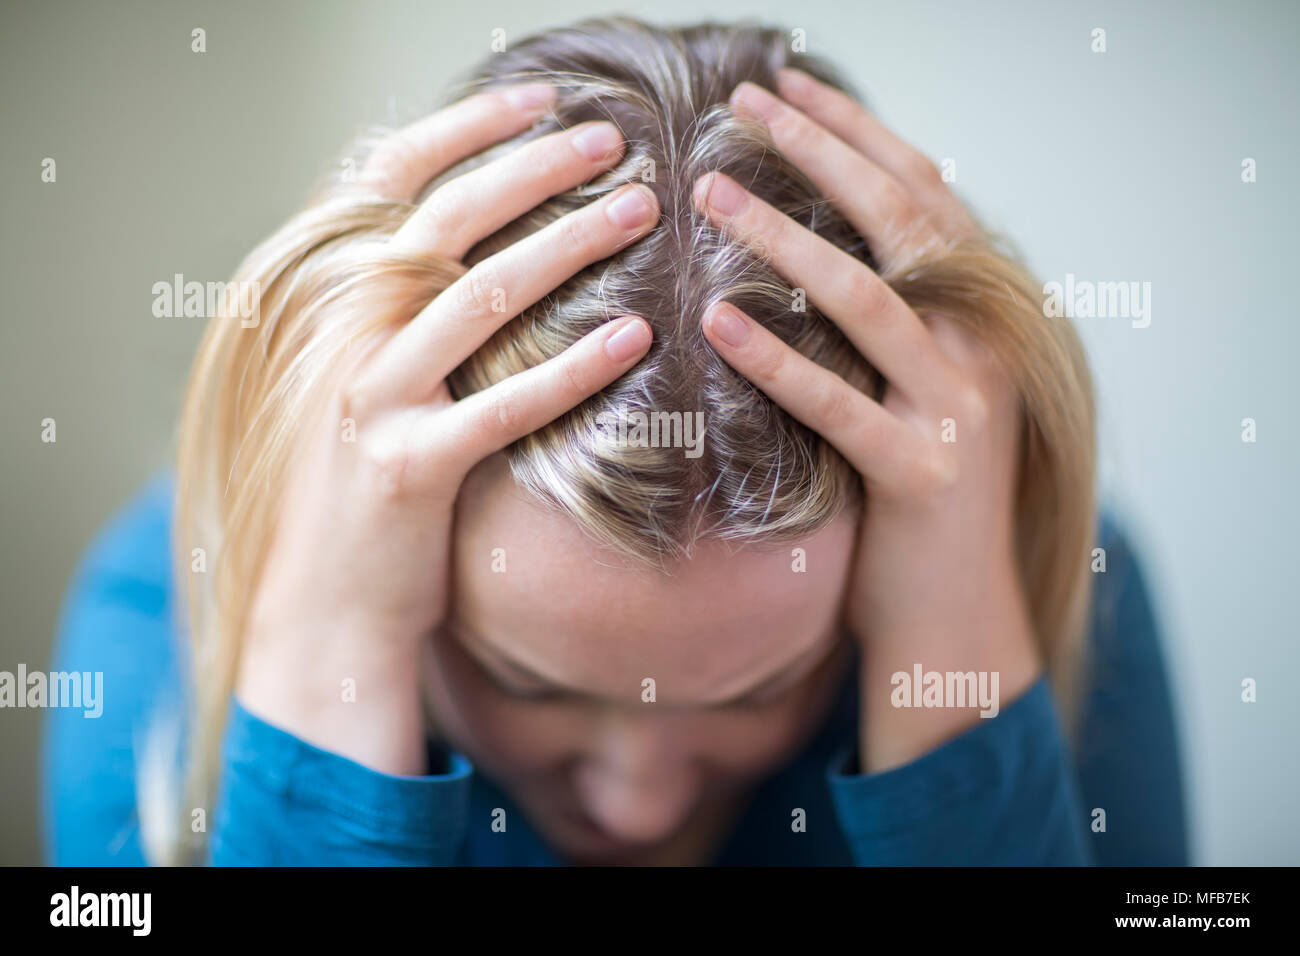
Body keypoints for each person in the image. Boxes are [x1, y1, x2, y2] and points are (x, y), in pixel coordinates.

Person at [42, 16, 1188, 866]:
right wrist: (322, 661)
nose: (637, 807)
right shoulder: (157, 630)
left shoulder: (1060, 598)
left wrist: (959, 659)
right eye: (520, 683)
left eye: (756, 693)